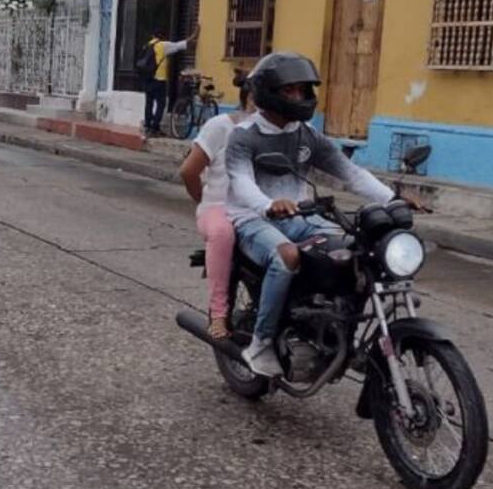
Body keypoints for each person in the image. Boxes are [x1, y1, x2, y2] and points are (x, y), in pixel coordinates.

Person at [225, 52, 396, 378]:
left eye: (303, 90)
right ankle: (260, 343)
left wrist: (393, 198)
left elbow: (351, 173)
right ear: (269, 92)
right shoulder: (244, 135)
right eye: (290, 90)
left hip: (301, 216)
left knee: (357, 252)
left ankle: (341, 332)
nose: (299, 97)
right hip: (252, 218)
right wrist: (267, 204)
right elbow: (242, 181)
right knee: (287, 256)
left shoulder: (307, 135)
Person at [178, 74, 256, 340]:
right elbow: (189, 171)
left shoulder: (281, 131)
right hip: (219, 209)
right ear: (250, 98)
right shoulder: (220, 126)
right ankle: (219, 312)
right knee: (223, 233)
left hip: (259, 211)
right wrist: (204, 201)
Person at [142, 23, 200, 136]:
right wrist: (194, 35)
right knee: (161, 104)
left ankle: (148, 126)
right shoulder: (163, 45)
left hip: (147, 79)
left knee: (148, 103)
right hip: (159, 80)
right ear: (162, 35)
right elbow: (180, 45)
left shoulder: (147, 45)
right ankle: (155, 128)